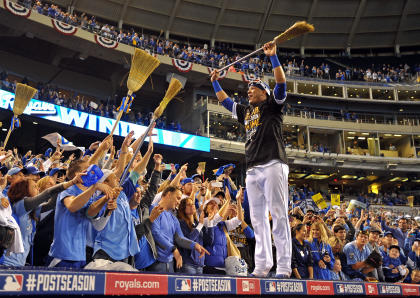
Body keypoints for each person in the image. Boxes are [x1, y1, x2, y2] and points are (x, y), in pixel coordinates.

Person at [210, 40, 289, 278]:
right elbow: (226, 102)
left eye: (252, 89)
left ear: (264, 91)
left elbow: (282, 84)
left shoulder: (273, 106)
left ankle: (283, 266)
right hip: (253, 168)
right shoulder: (247, 112)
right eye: (248, 90)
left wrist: (273, 57)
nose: (248, 92)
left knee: (278, 214)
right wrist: (215, 81)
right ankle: (263, 265)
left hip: (274, 163)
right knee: (257, 219)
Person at [2, 175, 83, 266]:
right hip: (7, 263)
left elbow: (51, 204)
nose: (38, 189)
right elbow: (47, 193)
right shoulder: (20, 205)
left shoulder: (32, 210)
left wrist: (63, 188)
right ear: (24, 190)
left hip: (19, 263)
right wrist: (71, 182)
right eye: (34, 187)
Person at [149, 186, 209, 273]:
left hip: (170, 261)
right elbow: (155, 233)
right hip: (155, 261)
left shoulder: (173, 218)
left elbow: (179, 238)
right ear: (169, 195)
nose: (178, 202)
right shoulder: (153, 209)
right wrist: (173, 249)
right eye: (177, 198)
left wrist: (194, 245)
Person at [177, 197, 214, 274]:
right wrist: (200, 225)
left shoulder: (197, 223)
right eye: (189, 204)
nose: (192, 206)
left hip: (200, 264)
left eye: (193, 204)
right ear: (183, 208)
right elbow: (187, 241)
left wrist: (210, 222)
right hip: (187, 264)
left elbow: (209, 241)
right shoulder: (180, 223)